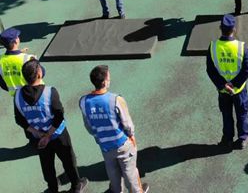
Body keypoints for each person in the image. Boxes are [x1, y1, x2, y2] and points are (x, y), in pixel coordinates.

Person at [14, 60, 88, 193]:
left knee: (46, 164)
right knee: (68, 159)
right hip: (58, 135)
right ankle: (76, 185)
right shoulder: (50, 92)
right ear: (39, 74)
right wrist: (48, 135)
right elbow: (59, 116)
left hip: (38, 138)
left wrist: (38, 134)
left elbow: (20, 120)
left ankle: (53, 188)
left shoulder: (17, 95)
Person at [80, 65, 149, 193]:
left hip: (104, 145)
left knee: (112, 171)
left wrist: (99, 137)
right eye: (108, 78)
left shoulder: (83, 101)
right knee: (130, 172)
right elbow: (127, 124)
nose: (110, 80)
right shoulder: (116, 99)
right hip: (122, 144)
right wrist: (131, 136)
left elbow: (88, 126)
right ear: (104, 82)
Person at [206, 15, 248, 149]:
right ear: (234, 29)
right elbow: (247, 69)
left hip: (223, 91)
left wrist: (223, 85)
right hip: (239, 90)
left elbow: (210, 70)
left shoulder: (213, 47)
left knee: (226, 114)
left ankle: (227, 139)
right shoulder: (241, 47)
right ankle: (242, 139)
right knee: (242, 113)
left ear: (220, 28)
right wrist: (234, 84)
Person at [0, 27, 39, 97]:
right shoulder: (28, 58)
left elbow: (2, 84)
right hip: (34, 94)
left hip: (16, 97)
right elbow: (41, 73)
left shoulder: (1, 60)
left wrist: (20, 52)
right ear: (15, 41)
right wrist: (35, 61)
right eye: (17, 37)